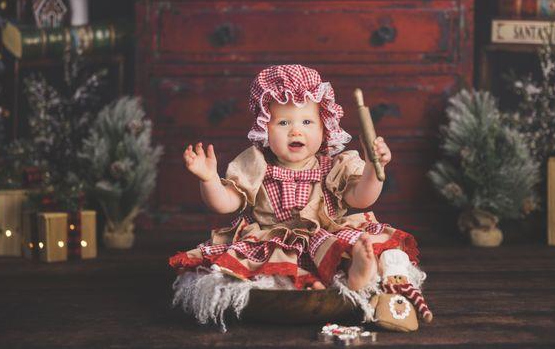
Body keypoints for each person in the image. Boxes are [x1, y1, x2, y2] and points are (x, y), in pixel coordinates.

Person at [169, 64, 421, 293]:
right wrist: (209, 179)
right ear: (264, 127)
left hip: (324, 234)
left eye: (308, 121)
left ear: (324, 129)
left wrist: (372, 168)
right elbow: (226, 203)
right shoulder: (256, 163)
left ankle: (355, 270)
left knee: (348, 242)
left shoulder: (333, 166)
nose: (296, 130)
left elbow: (361, 198)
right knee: (271, 265)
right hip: (275, 239)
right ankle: (309, 281)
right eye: (283, 122)